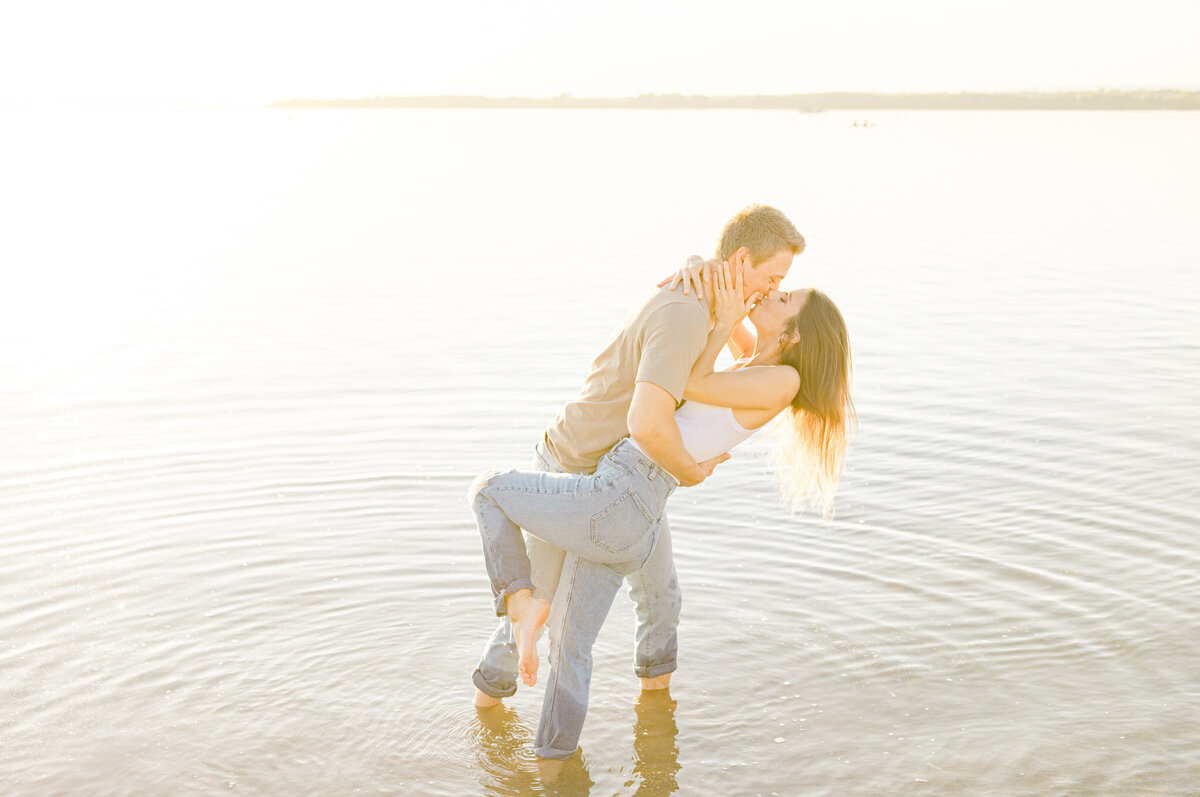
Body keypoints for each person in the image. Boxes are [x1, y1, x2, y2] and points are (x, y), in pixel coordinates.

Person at [469, 260, 855, 759]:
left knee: (487, 490)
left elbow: (690, 380)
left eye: (783, 299)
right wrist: (701, 269)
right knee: (572, 647)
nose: (772, 295)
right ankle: (554, 766)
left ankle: (522, 602)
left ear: (795, 336)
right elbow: (730, 314)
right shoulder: (758, 362)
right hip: (632, 500)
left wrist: (719, 323)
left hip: (623, 492)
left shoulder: (780, 381)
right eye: (776, 286)